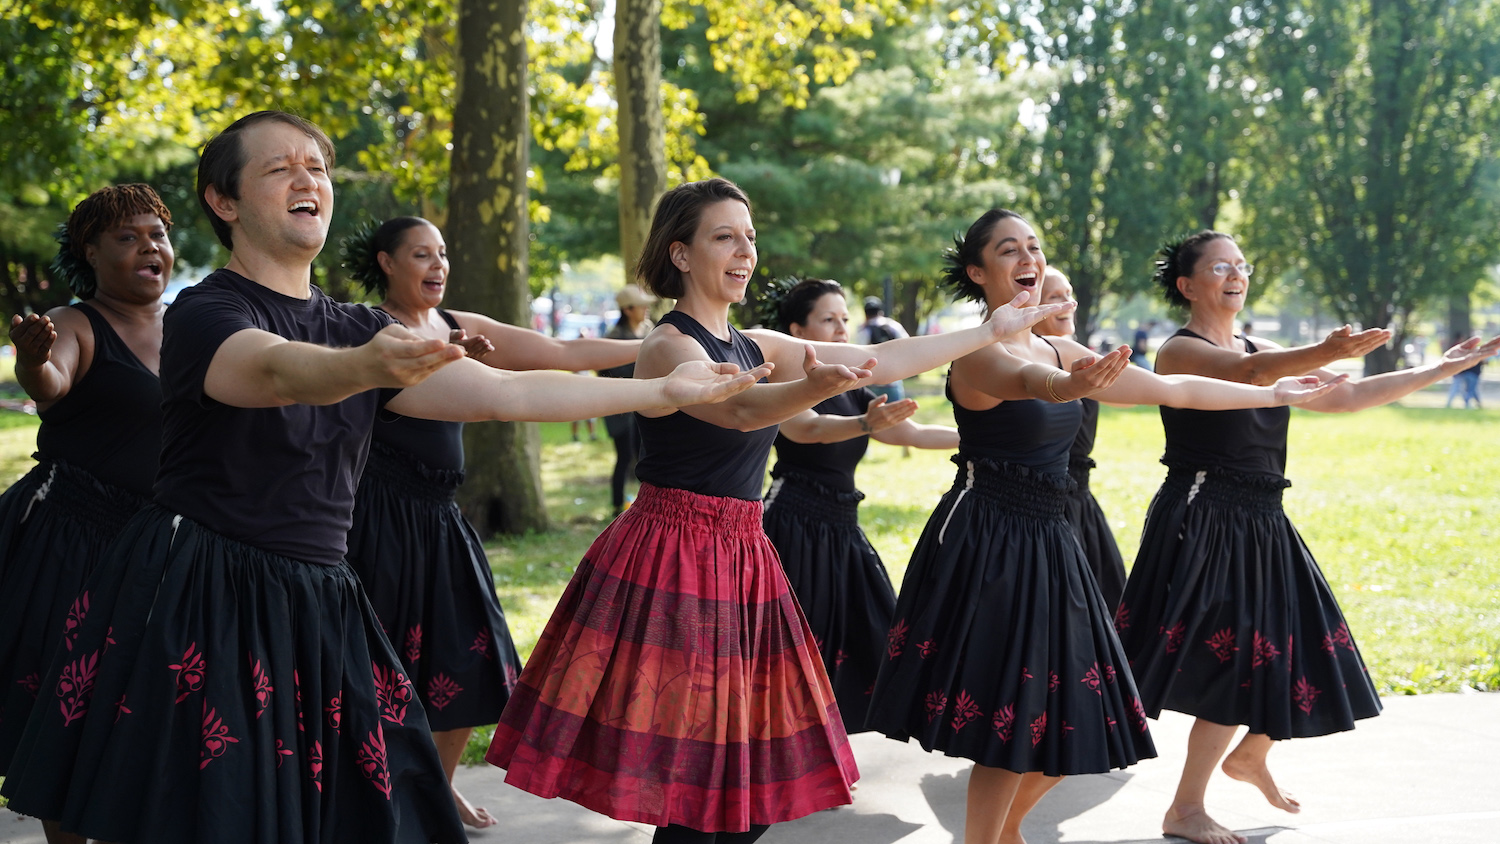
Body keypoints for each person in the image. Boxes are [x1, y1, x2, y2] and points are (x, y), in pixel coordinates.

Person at [0, 111, 763, 844]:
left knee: (375, 811)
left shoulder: (357, 326)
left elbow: (505, 394)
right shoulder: (206, 310)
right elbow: (269, 370)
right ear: (224, 200)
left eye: (319, 167)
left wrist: (659, 391)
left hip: (323, 599)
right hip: (210, 593)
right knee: (219, 815)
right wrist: (362, 367)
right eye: (281, 167)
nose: (310, 179)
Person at [487, 178, 1077, 844]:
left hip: (741, 555)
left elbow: (875, 357)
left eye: (750, 238)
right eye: (724, 237)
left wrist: (985, 331)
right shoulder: (668, 345)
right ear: (680, 254)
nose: (744, 252)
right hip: (672, 557)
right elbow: (740, 410)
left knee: (748, 785)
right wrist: (809, 388)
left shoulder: (754, 341)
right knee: (692, 782)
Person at [864, 209, 1343, 844]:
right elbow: (1033, 381)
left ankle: (1003, 835)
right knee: (1004, 721)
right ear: (979, 273)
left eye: (1034, 246)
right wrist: (1069, 385)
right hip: (988, 543)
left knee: (1081, 708)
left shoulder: (1060, 344)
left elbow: (1175, 390)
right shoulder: (979, 355)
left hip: (1051, 538)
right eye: (1009, 250)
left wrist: (1276, 395)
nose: (1028, 258)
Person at [1117, 229, 1500, 844]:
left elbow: (1345, 396)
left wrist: (1442, 367)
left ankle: (1250, 754)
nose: (1236, 274)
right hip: (1205, 513)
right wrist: (1321, 349)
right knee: (1224, 656)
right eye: (1221, 267)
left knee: (1303, 642)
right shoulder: (1181, 351)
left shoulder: (1257, 345)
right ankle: (1185, 808)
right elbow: (1250, 372)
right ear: (1188, 286)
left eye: (1242, 264)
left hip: (1263, 516)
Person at [338, 215, 642, 829]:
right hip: (378, 521)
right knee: (377, 669)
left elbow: (561, 352)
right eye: (421, 254)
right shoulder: (368, 330)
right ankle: (372, 799)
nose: (438, 264)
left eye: (442, 253)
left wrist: (658, 348)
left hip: (441, 518)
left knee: (466, 657)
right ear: (386, 263)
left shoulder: (461, 325)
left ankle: (438, 787)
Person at [0, 185, 171, 780]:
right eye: (127, 237)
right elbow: (51, 382)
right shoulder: (76, 323)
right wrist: (31, 362)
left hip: (163, 549)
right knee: (63, 716)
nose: (150, 247)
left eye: (157, 234)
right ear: (90, 252)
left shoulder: (194, 327)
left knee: (149, 720)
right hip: (73, 543)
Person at [758, 276, 959, 734]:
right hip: (792, 525)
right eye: (828, 320)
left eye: (844, 319)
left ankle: (821, 754)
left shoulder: (853, 387)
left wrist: (983, 441)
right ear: (797, 330)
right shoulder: (789, 379)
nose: (841, 329)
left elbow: (908, 433)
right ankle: (782, 756)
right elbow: (808, 428)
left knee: (868, 638)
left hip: (842, 528)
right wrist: (864, 425)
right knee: (794, 647)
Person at [1031, 267, 1126, 608]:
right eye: (1055, 297)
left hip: (1082, 503)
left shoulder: (1081, 356)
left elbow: (1162, 389)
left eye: (1069, 294)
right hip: (1041, 509)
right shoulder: (1020, 364)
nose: (1068, 303)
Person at [598, 284, 657, 514]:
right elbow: (603, 372)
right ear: (627, 310)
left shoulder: (650, 330)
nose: (646, 310)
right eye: (641, 306)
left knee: (646, 454)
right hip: (619, 408)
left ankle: (647, 505)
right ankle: (616, 505)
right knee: (624, 456)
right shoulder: (613, 338)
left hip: (644, 405)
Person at [855, 295, 910, 401]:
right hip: (893, 380)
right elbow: (907, 345)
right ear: (881, 311)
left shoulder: (864, 329)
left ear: (865, 313)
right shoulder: (893, 325)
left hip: (872, 382)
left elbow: (859, 353)